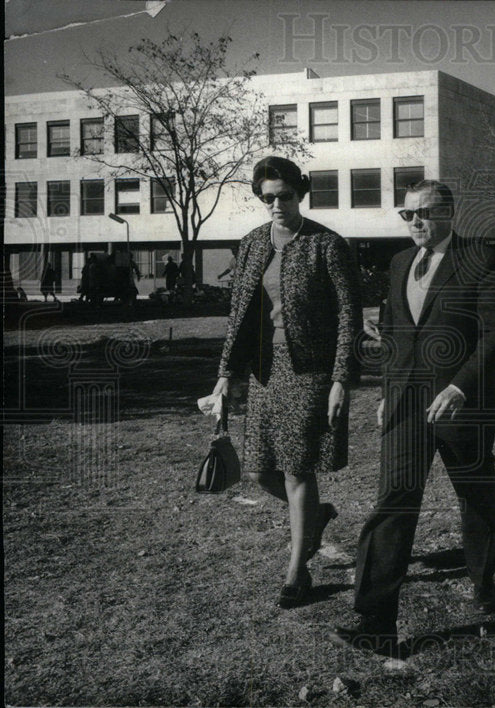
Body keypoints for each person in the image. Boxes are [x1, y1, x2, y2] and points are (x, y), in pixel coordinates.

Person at [336, 180, 495, 656]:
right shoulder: (398, 263)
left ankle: (484, 580)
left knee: (475, 497)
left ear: (449, 212)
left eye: (423, 213)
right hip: (406, 405)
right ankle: (376, 621)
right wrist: (387, 396)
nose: (414, 222)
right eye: (406, 214)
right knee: (393, 499)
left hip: (463, 405)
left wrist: (459, 387)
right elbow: (397, 334)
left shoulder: (481, 259)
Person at [211, 156, 362, 609]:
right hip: (264, 371)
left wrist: (341, 379)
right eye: (267, 198)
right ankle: (316, 516)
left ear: (301, 192)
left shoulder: (328, 245)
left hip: (310, 372)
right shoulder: (252, 244)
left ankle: (298, 572)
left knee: (298, 468)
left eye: (285, 196)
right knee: (259, 470)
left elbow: (348, 318)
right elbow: (238, 316)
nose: (276, 205)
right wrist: (224, 375)